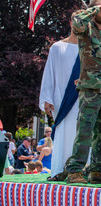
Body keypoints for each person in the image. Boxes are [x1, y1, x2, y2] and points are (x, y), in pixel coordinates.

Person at [65, 0, 101, 185]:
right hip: (90, 89)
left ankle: (98, 171)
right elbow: (76, 21)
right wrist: (93, 9)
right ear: (93, 11)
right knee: (85, 131)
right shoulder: (86, 29)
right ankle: (75, 171)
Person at [39, 10, 82, 181]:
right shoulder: (58, 47)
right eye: (76, 21)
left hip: (83, 100)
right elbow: (49, 74)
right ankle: (59, 170)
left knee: (81, 135)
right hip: (61, 99)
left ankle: (79, 170)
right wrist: (47, 99)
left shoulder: (89, 48)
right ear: (71, 23)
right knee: (64, 133)